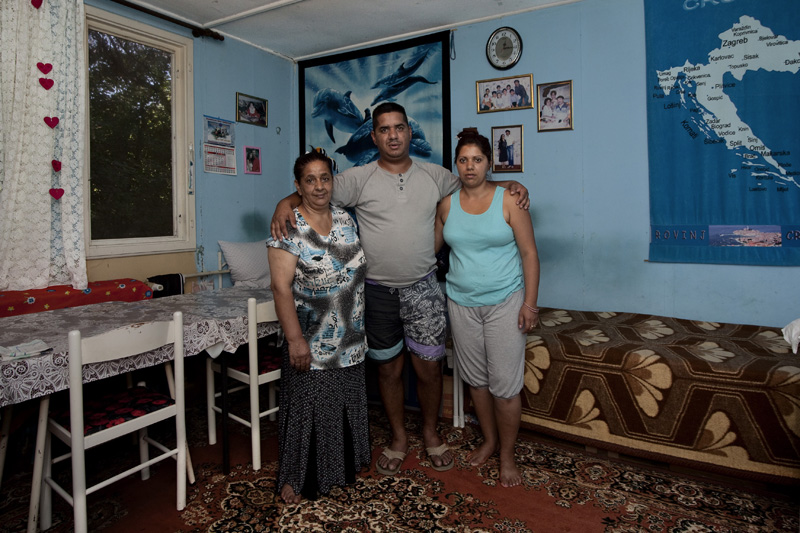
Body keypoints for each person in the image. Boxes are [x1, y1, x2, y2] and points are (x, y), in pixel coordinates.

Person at [271, 102, 529, 478]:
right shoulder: (357, 178)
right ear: (373, 136)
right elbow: (315, 189)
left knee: (429, 369)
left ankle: (430, 433)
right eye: (384, 129)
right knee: (389, 370)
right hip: (377, 293)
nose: (392, 135)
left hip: (424, 289)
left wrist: (512, 186)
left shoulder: (435, 175)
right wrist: (284, 203)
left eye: (399, 127)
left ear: (409, 131)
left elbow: (476, 183)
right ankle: (398, 437)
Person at [434, 129, 540, 488]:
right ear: (456, 164)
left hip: (505, 302)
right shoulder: (447, 205)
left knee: (504, 387)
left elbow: (529, 254)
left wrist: (530, 304)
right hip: (460, 303)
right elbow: (428, 250)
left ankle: (507, 455)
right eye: (463, 160)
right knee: (477, 382)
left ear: (489, 163)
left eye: (477, 159)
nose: (470, 166)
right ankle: (490, 441)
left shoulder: (509, 200)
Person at [268, 150, 371, 503]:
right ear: (298, 186)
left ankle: (341, 467)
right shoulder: (288, 226)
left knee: (343, 403)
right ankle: (296, 478)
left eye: (324, 178)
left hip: (351, 337)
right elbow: (280, 288)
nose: (319, 186)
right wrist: (295, 340)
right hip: (311, 341)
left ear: (332, 181)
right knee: (309, 408)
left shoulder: (345, 218)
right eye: (309, 180)